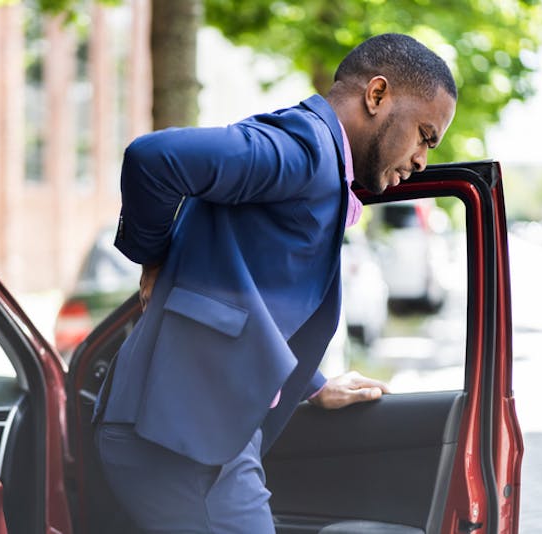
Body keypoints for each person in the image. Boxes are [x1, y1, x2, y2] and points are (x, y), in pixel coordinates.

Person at [93, 32, 457, 533]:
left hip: (200, 437)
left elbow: (241, 298)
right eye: (425, 135)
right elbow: (153, 159)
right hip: (177, 444)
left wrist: (312, 385)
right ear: (377, 96)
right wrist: (151, 258)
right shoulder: (303, 149)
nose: (422, 160)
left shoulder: (321, 164)